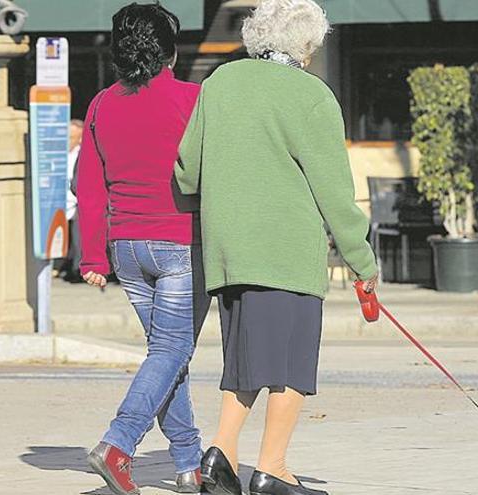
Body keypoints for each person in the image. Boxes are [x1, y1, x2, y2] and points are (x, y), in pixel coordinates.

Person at [175, 1, 379, 494]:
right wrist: (362, 260)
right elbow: (334, 190)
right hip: (285, 249)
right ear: (306, 45)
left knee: (245, 362)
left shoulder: (219, 83)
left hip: (227, 250)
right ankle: (274, 469)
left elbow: (186, 169)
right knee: (287, 364)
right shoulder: (312, 96)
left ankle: (219, 457)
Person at [77, 3, 210, 494]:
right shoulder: (194, 100)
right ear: (171, 53)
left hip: (125, 248)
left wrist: (92, 257)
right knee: (172, 349)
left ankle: (188, 463)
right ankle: (119, 442)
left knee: (167, 354)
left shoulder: (101, 105)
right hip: (179, 241)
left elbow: (89, 187)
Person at [60, 118, 83, 282]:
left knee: (78, 238)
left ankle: (77, 269)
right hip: (59, 202)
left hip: (76, 202)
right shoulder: (58, 154)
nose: (67, 141)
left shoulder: (83, 154)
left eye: (71, 137)